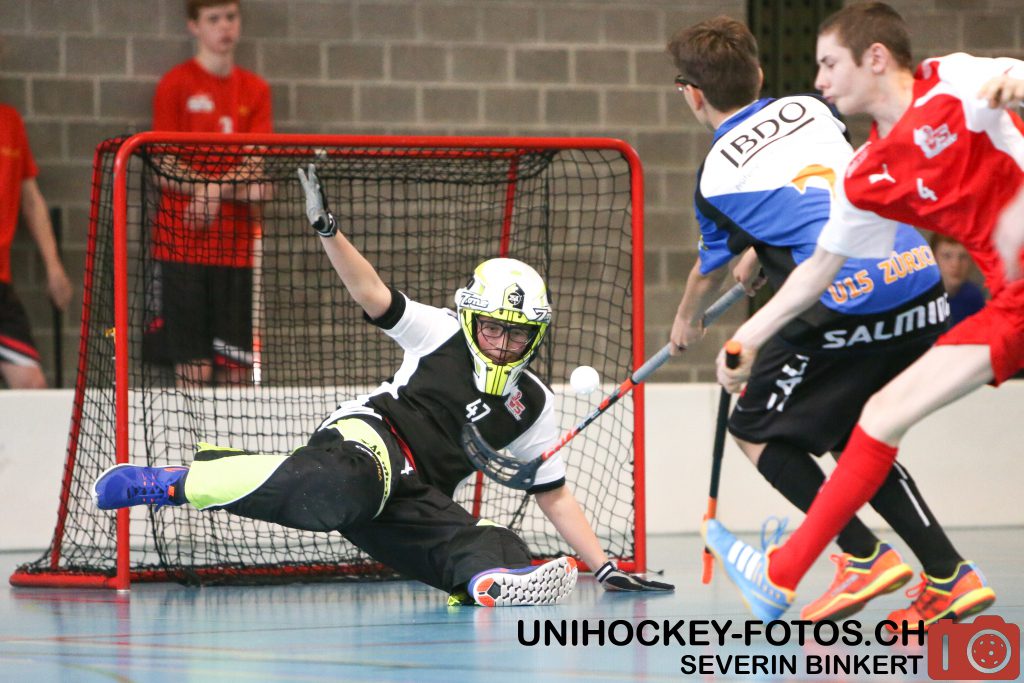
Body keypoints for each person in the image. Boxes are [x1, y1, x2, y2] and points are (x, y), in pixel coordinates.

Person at [92, 164, 673, 607]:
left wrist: (604, 568)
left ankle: (484, 582)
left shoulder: (533, 406)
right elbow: (373, 294)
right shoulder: (441, 332)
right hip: (372, 441)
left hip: (416, 498)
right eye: (493, 328)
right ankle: (172, 482)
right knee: (344, 487)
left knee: (500, 547)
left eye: (516, 334)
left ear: (534, 337)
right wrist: (328, 231)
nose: (502, 344)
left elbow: (555, 494)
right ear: (472, 320)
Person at [705, 2, 1024, 627]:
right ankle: (783, 575)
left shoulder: (953, 82)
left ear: (875, 58)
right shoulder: (867, 175)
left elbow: (1011, 74)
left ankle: (790, 571)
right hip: (1012, 302)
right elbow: (818, 271)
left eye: (829, 64)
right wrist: (749, 335)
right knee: (878, 418)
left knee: (877, 417)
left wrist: (1016, 80)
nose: (819, 81)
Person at [144, 0, 273, 386]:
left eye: (231, 17)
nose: (224, 27)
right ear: (194, 26)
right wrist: (221, 189)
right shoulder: (175, 84)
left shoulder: (255, 89)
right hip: (181, 247)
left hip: (236, 250)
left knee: (236, 371)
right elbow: (163, 164)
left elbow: (256, 164)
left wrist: (212, 190)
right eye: (213, 19)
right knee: (193, 368)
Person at [0, 103, 73, 389]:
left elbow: (30, 199)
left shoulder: (10, 121)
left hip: (2, 283)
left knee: (31, 382)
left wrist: (53, 267)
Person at [931, 233, 986, 324]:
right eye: (947, 256)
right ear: (933, 258)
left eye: (963, 257)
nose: (956, 264)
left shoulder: (974, 298)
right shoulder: (920, 297)